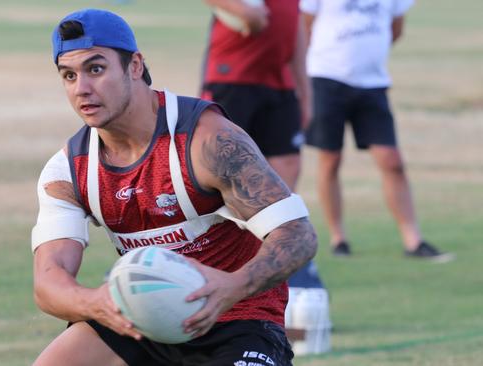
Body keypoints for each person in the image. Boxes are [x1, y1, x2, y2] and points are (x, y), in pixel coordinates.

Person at [31, 8, 318, 366]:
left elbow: (298, 235)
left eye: (96, 69)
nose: (82, 89)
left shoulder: (207, 141)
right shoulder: (69, 171)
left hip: (237, 321)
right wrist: (96, 303)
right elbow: (49, 282)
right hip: (140, 322)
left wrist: (233, 287)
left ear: (135, 65)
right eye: (69, 75)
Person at [300, 0, 453, 261]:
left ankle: (412, 240)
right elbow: (305, 27)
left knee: (391, 160)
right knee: (331, 159)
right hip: (327, 78)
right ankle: (339, 239)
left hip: (372, 82)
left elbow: (396, 26)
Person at [201, 0, 312, 189]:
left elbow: (295, 23)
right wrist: (240, 9)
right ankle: (232, 219)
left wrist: (305, 91)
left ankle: (280, 218)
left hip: (280, 80)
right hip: (233, 77)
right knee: (226, 163)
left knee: (287, 162)